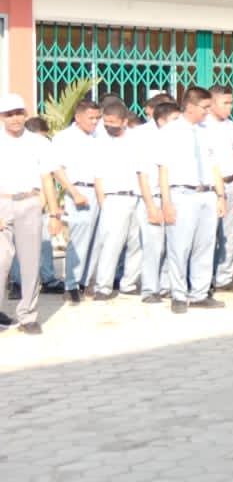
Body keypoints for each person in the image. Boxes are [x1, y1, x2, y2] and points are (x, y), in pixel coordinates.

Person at [158, 87, 227, 314]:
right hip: (182, 194)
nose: (208, 112)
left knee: (205, 245)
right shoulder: (170, 132)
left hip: (207, 193)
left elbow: (215, 165)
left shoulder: (209, 131)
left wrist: (220, 195)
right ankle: (178, 294)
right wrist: (166, 202)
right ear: (189, 106)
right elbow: (164, 170)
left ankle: (200, 292)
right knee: (179, 245)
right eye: (204, 107)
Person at [0, 93, 62, 335]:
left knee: (30, 263)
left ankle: (28, 316)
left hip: (30, 203)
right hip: (3, 203)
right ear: (1, 118)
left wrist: (55, 214)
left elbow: (48, 178)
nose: (15, 118)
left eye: (18, 113)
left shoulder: (39, 143)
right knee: (2, 262)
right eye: (9, 114)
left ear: (25, 114)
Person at [89, 97, 144, 300]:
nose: (109, 126)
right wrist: (103, 200)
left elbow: (143, 171)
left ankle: (128, 283)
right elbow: (98, 176)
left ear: (124, 121)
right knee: (111, 244)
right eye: (106, 123)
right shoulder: (101, 141)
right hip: (114, 198)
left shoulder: (137, 140)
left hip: (137, 197)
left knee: (136, 242)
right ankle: (103, 287)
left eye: (113, 122)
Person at [51, 96, 104, 303]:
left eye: (97, 118)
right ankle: (71, 284)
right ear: (78, 117)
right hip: (79, 191)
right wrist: (73, 193)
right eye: (91, 118)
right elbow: (57, 169)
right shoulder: (64, 138)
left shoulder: (98, 137)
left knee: (97, 239)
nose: (94, 122)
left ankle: (86, 280)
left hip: (98, 190)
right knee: (79, 240)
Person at [135, 96, 178, 303]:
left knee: (172, 243)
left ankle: (166, 285)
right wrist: (150, 205)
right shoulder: (147, 140)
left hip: (174, 197)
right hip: (153, 197)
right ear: (162, 121)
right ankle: (150, 289)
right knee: (153, 246)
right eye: (175, 119)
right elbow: (142, 175)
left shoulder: (180, 140)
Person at [202, 85, 233, 293]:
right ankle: (204, 278)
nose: (229, 107)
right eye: (224, 103)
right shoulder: (202, 126)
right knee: (207, 235)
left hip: (230, 182)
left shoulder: (231, 126)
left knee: (227, 233)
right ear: (211, 104)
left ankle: (224, 278)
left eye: (230, 102)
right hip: (210, 188)